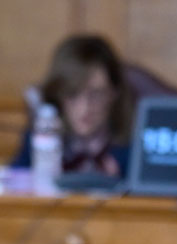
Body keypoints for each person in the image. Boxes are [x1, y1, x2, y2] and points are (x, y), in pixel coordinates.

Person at [11, 34, 132, 177]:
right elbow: (14, 180)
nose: (84, 108)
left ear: (114, 93)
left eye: (96, 94)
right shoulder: (43, 134)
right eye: (72, 94)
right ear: (57, 94)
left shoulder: (135, 147)